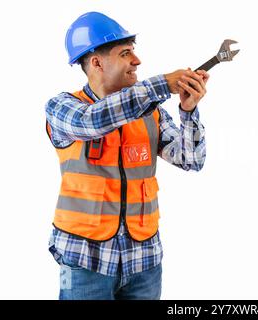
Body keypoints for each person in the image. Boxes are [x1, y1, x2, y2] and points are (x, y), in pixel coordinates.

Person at [45, 11, 209, 300]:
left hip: (143, 260)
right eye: (126, 53)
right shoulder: (63, 108)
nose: (137, 61)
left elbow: (191, 159)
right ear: (96, 62)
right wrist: (161, 85)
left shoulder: (150, 112)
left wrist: (188, 111)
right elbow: (92, 122)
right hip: (86, 261)